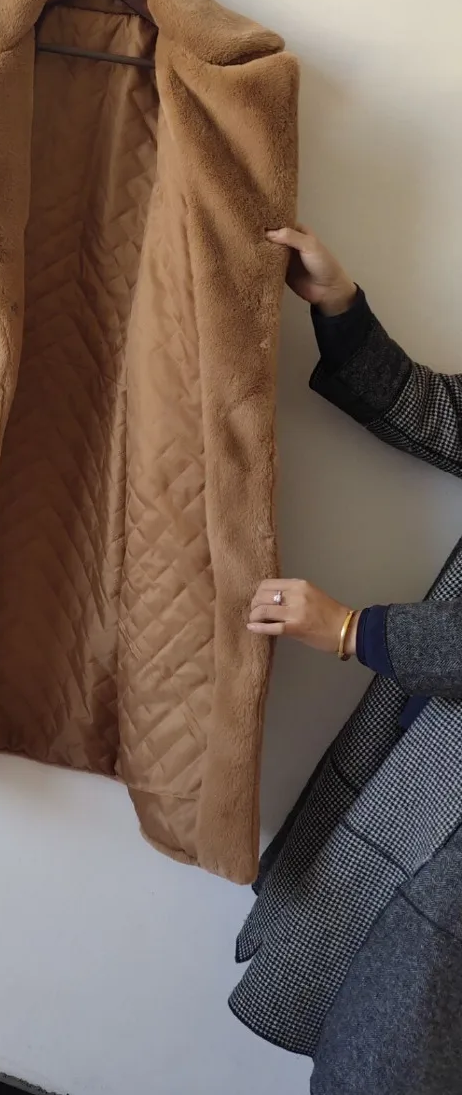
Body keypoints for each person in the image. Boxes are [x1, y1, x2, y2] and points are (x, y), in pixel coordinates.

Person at [229, 227, 462, 1095]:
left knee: (397, 1053)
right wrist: (340, 304)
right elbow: (435, 411)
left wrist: (355, 630)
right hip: (425, 766)